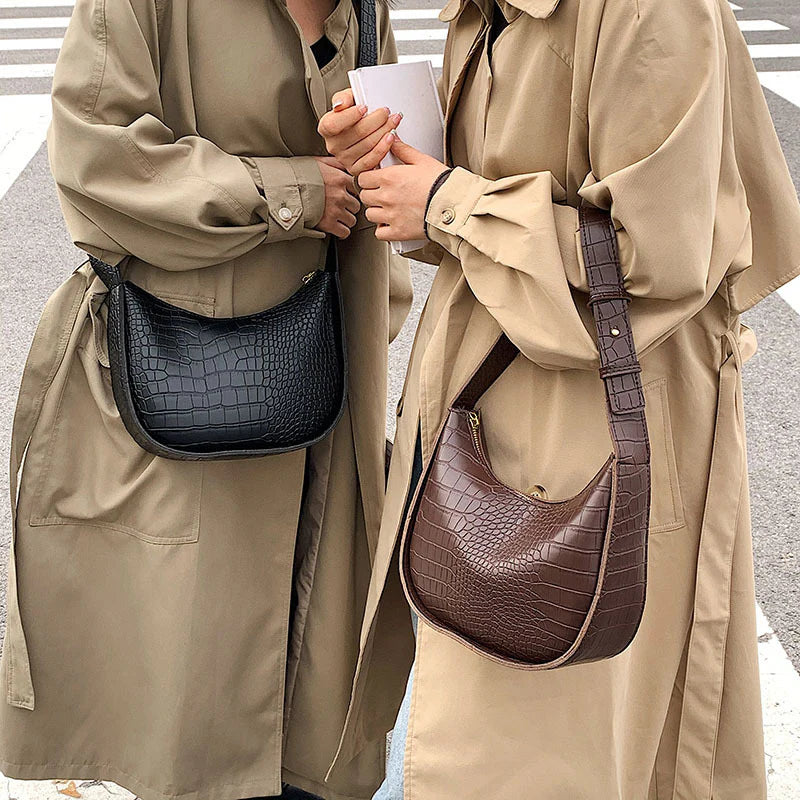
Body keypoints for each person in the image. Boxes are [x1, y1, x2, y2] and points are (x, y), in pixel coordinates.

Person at [319, 0, 800, 797]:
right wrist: (395, 165)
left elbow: (656, 251)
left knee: (563, 745)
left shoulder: (652, 13)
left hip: (598, 418)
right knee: (507, 732)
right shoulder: (488, 10)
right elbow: (473, 205)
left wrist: (444, 201)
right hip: (499, 402)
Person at [0, 1, 411, 800]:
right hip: (185, 371)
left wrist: (378, 154)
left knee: (315, 717)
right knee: (192, 710)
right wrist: (288, 191)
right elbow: (96, 157)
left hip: (324, 373)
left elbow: (384, 153)